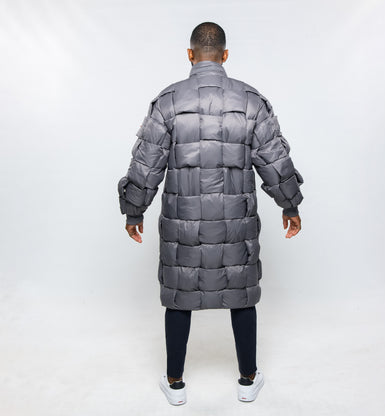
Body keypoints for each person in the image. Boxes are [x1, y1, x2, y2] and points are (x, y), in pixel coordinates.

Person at [117, 21, 304, 405]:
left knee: (179, 295)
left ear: (190, 55)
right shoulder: (251, 103)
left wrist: (134, 211)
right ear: (225, 55)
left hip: (183, 225)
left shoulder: (168, 103)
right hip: (236, 224)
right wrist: (290, 204)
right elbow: (276, 161)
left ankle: (175, 383)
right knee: (241, 294)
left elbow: (145, 165)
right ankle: (248, 380)